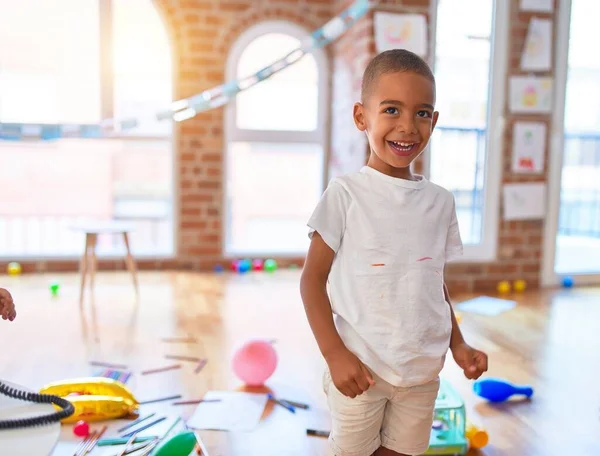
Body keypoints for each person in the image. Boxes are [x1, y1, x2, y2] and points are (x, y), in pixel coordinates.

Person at [300, 49, 488, 456]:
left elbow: (432, 283)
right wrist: (334, 354)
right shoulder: (345, 195)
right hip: (360, 370)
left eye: (422, 113)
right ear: (361, 117)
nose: (407, 126)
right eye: (391, 109)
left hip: (421, 373)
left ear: (434, 121)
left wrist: (458, 345)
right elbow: (311, 280)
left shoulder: (440, 202)